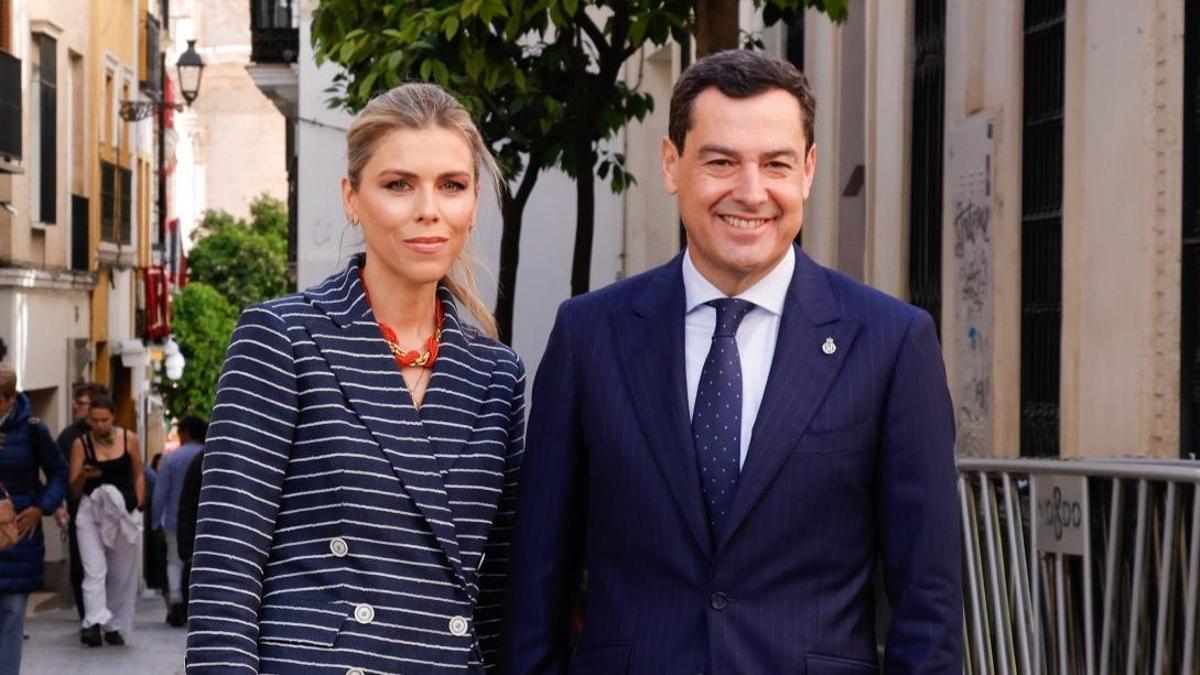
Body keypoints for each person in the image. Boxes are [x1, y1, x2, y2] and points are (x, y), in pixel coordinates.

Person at [503, 50, 963, 674]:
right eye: (720, 161)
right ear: (672, 165)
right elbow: (540, 575)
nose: (750, 192)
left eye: (774, 163)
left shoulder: (891, 342)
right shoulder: (589, 334)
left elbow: (927, 600)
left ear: (807, 170)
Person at [186, 82, 526, 674]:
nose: (429, 209)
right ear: (351, 198)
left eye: (452, 185)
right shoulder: (282, 337)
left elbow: (497, 594)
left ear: (473, 203)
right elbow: (225, 572)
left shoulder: (496, 372)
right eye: (399, 185)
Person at [0, 365, 68, 674]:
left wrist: (41, 508)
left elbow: (58, 472)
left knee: (13, 614)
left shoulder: (31, 429)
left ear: (8, 399)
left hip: (18, 534)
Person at [69, 395, 145, 647]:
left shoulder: (129, 439)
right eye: (94, 421)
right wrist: (83, 474)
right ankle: (92, 623)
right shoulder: (81, 444)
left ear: (113, 417)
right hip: (91, 511)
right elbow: (74, 486)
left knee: (120, 573)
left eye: (104, 420)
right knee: (94, 569)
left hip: (123, 512)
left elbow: (138, 474)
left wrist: (140, 503)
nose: (100, 425)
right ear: (88, 420)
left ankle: (113, 624)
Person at [55, 382, 107, 624]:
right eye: (75, 402)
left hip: (108, 507)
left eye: (81, 403)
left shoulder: (115, 435)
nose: (76, 407)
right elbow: (57, 472)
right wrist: (58, 505)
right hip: (78, 506)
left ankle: (103, 612)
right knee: (80, 562)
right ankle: (87, 615)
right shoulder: (69, 436)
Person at [150, 416, 207, 627]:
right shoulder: (209, 455)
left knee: (174, 562)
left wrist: (156, 521)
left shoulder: (172, 459)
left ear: (186, 433)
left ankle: (176, 602)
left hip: (174, 519)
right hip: (204, 521)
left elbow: (160, 493)